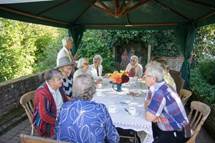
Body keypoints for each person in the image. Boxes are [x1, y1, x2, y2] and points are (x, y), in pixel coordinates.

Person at [56, 74, 120, 143]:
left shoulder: (64, 107)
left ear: (74, 89)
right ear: (92, 90)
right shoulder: (100, 109)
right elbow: (113, 138)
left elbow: (57, 131)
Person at [144, 61, 189, 143]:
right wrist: (153, 115)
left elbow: (148, 117)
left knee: (148, 133)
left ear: (153, 78)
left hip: (177, 132)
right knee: (149, 130)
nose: (143, 77)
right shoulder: (158, 86)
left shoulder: (160, 92)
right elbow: (146, 105)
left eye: (146, 75)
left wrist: (153, 115)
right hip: (170, 127)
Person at [33, 69, 67, 137]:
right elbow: (45, 115)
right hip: (46, 123)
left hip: (60, 115)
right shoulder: (42, 93)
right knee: (67, 130)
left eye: (61, 78)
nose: (62, 81)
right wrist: (59, 122)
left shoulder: (58, 86)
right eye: (59, 79)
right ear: (51, 81)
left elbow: (65, 100)